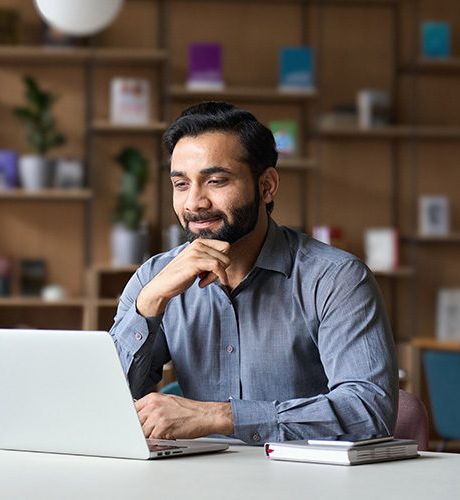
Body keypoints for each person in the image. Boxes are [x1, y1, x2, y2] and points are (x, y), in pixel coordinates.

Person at [108, 102, 398, 445]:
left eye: (215, 181)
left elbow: (369, 411)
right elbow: (104, 406)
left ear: (267, 186)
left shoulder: (336, 279)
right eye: (182, 184)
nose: (194, 203)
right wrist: (149, 305)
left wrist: (222, 416)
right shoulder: (154, 278)